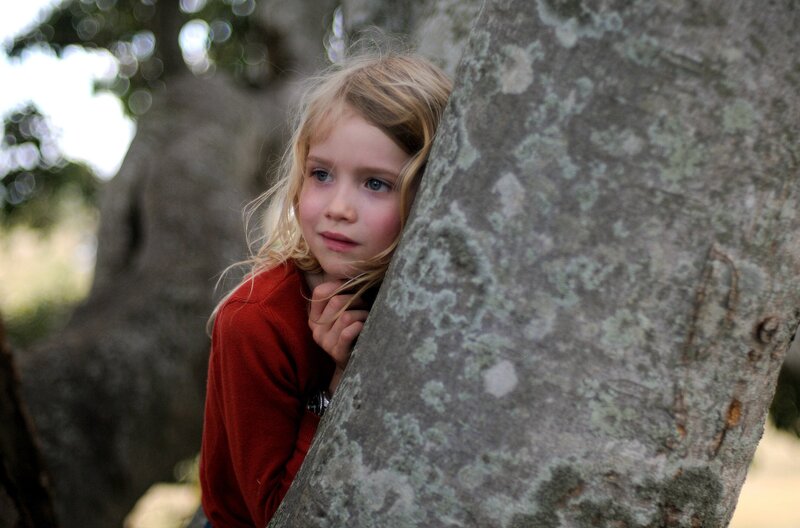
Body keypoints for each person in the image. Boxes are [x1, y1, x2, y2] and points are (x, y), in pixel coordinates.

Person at [199, 52, 452, 527]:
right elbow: (277, 515)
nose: (338, 207)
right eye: (321, 174)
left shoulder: (424, 295)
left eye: (375, 183)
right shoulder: (254, 322)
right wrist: (341, 381)